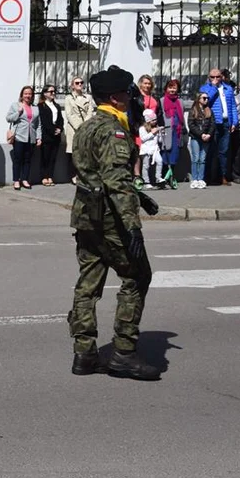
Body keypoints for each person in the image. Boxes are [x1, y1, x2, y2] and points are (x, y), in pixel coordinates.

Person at [68, 65, 158, 381]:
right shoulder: (114, 130)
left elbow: (92, 172)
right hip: (111, 219)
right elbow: (116, 178)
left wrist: (140, 196)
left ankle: (84, 353)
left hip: (86, 215)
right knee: (138, 275)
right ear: (115, 98)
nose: (130, 98)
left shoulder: (88, 127)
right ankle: (124, 352)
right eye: (126, 93)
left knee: (88, 283)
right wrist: (132, 225)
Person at [198, 68, 237, 185]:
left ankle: (223, 176)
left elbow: (233, 106)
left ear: (222, 77)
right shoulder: (205, 89)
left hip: (225, 123)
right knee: (210, 151)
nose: (215, 79)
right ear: (209, 77)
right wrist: (214, 87)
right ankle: (207, 177)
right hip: (212, 123)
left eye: (218, 77)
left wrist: (234, 122)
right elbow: (206, 101)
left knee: (224, 151)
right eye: (212, 77)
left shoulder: (228, 89)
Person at [128, 75, 162, 182]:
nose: (147, 85)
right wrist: (136, 127)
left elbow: (159, 113)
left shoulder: (155, 97)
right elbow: (132, 113)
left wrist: (158, 126)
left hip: (153, 128)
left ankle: (153, 177)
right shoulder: (136, 98)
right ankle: (137, 176)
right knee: (139, 153)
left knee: (152, 152)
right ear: (140, 84)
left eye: (149, 83)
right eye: (145, 83)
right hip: (141, 128)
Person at [6, 85, 39, 190]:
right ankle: (16, 180)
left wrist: (39, 137)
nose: (28, 96)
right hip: (19, 136)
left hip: (31, 137)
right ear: (22, 95)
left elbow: (38, 124)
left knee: (27, 160)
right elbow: (8, 118)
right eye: (25, 94)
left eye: (29, 94)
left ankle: (24, 179)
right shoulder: (15, 105)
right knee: (18, 159)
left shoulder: (35, 108)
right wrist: (18, 112)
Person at [63, 76, 93, 184]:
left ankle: (83, 174)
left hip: (85, 127)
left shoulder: (88, 97)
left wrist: (85, 124)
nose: (80, 84)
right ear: (72, 86)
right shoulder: (68, 98)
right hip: (74, 128)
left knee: (84, 153)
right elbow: (69, 114)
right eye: (77, 83)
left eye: (81, 82)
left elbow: (90, 111)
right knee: (73, 152)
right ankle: (73, 175)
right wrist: (79, 126)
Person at [159, 79, 185, 188]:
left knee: (174, 156)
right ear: (166, 88)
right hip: (165, 131)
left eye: (174, 87)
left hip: (177, 132)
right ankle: (162, 179)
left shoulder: (180, 102)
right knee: (165, 155)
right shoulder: (161, 101)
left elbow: (181, 117)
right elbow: (159, 116)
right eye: (170, 87)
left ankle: (171, 177)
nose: (172, 90)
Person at [37, 84, 64, 186]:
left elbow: (60, 119)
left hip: (56, 136)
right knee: (45, 157)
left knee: (53, 158)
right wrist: (53, 130)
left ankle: (50, 177)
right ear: (45, 93)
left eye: (54, 91)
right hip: (47, 135)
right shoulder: (41, 106)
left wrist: (60, 129)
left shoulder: (56, 106)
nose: (53, 93)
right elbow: (44, 121)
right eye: (51, 91)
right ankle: (44, 177)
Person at [187, 91, 215, 189]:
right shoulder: (193, 111)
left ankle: (201, 179)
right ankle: (194, 179)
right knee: (196, 158)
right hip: (196, 138)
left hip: (206, 138)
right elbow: (191, 125)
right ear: (198, 99)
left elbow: (212, 124)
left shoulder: (209, 111)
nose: (206, 100)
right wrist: (201, 134)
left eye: (207, 98)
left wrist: (209, 135)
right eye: (204, 98)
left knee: (202, 159)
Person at [138, 110, 164, 189]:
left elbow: (159, 141)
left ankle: (158, 177)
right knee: (146, 166)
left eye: (155, 120)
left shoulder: (156, 128)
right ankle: (146, 182)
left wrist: (161, 134)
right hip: (146, 150)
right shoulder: (142, 128)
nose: (155, 121)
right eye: (153, 120)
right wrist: (152, 133)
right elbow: (143, 139)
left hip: (155, 149)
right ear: (148, 121)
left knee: (160, 161)